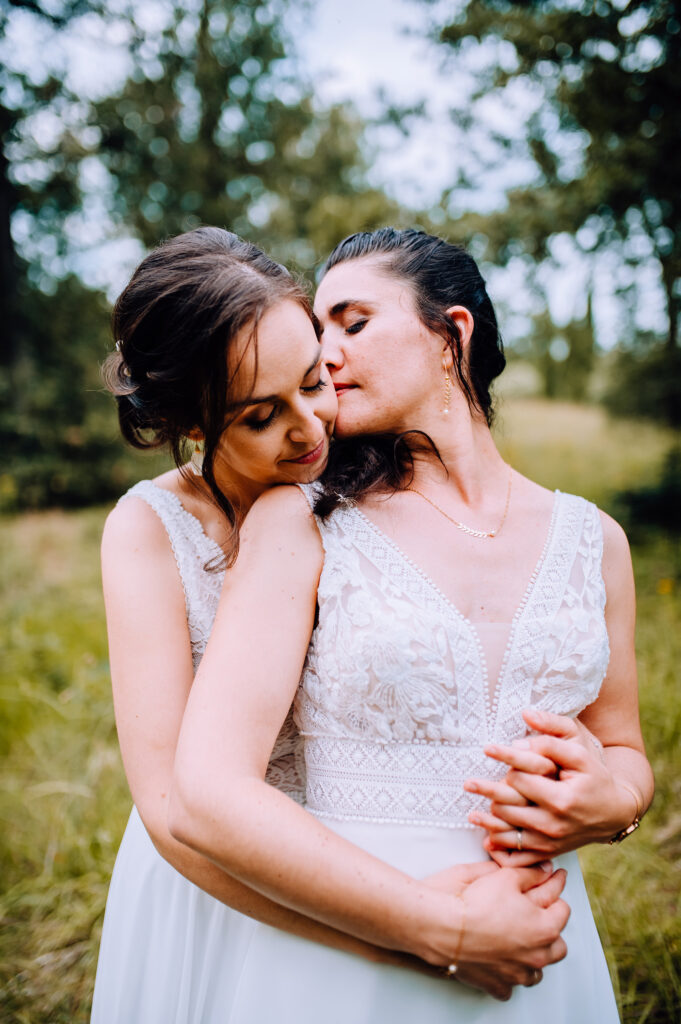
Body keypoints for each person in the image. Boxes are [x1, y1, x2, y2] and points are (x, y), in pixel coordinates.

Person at [170, 228, 654, 1023]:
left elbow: (625, 750)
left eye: (351, 323)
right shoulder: (302, 521)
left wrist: (615, 806)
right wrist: (440, 927)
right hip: (349, 956)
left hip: (541, 950)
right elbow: (208, 789)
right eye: (316, 332)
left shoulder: (592, 540)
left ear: (450, 334)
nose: (323, 355)